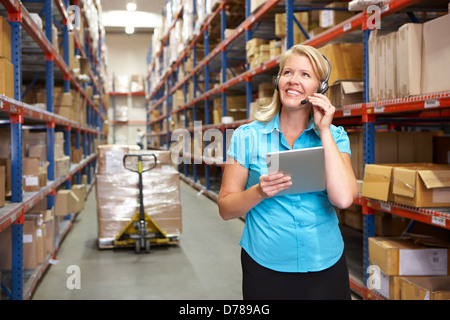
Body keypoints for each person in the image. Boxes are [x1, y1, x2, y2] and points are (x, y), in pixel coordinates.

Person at [217, 44, 358, 300]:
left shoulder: (335, 137)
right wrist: (259, 191)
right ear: (279, 80)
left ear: (320, 88)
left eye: (306, 75)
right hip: (265, 266)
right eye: (287, 72)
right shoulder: (247, 137)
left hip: (324, 264)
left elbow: (344, 199)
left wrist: (324, 130)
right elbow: (226, 209)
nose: (293, 80)